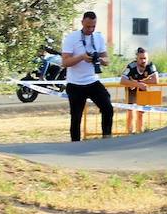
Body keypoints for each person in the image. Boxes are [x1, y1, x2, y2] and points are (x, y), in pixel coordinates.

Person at [61, 10, 114, 141]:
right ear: (82, 23)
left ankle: (107, 137)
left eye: (93, 26)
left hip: (92, 81)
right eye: (88, 26)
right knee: (76, 117)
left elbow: (106, 60)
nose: (90, 29)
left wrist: (100, 60)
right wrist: (81, 57)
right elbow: (65, 62)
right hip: (75, 84)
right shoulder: (71, 38)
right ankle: (75, 144)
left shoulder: (98, 37)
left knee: (108, 108)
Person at [120, 47, 160, 132]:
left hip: (142, 87)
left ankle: (140, 131)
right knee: (130, 112)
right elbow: (122, 80)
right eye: (141, 58)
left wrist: (140, 83)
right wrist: (137, 84)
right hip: (131, 89)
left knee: (141, 112)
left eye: (145, 58)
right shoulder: (131, 66)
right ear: (136, 59)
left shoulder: (150, 65)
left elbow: (156, 80)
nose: (143, 61)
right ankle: (129, 132)